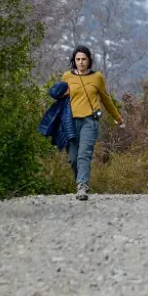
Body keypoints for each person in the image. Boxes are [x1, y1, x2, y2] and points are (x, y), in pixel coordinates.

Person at [62, 45, 124, 201]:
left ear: (89, 60)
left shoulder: (97, 77)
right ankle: (79, 182)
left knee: (84, 154)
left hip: (90, 121)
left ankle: (82, 186)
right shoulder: (67, 77)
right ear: (74, 61)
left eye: (84, 59)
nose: (81, 62)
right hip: (70, 123)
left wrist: (118, 117)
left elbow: (105, 99)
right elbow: (60, 102)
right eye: (78, 59)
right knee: (73, 158)